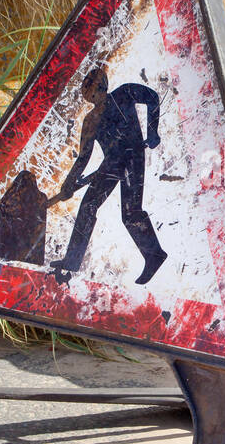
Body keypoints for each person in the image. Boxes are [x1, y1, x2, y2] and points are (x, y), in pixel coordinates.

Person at [50, 67, 167, 286]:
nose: (89, 88)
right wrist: (68, 183)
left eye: (93, 83)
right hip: (111, 164)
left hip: (133, 157)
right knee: (87, 207)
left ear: (103, 84)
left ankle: (155, 255)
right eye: (86, 84)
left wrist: (152, 130)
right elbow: (83, 158)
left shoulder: (124, 93)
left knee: (130, 213)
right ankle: (72, 259)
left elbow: (152, 97)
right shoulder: (90, 120)